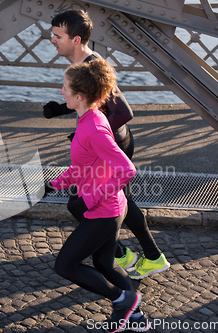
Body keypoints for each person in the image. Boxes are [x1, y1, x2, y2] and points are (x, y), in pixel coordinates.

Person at [45, 9, 169, 280]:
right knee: (97, 202)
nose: (52, 40)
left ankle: (145, 255)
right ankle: (127, 253)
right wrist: (61, 110)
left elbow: (123, 112)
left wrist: (94, 138)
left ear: (75, 40)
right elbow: (92, 101)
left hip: (114, 144)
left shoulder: (91, 63)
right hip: (103, 143)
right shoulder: (83, 63)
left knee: (97, 202)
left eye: (57, 36)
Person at [45, 58, 150, 332]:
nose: (61, 92)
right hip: (112, 208)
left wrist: (91, 199)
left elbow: (126, 170)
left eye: (64, 88)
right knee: (104, 262)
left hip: (104, 211)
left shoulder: (92, 127)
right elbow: (82, 165)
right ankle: (136, 319)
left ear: (79, 96)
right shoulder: (89, 118)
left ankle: (123, 299)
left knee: (65, 265)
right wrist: (54, 184)